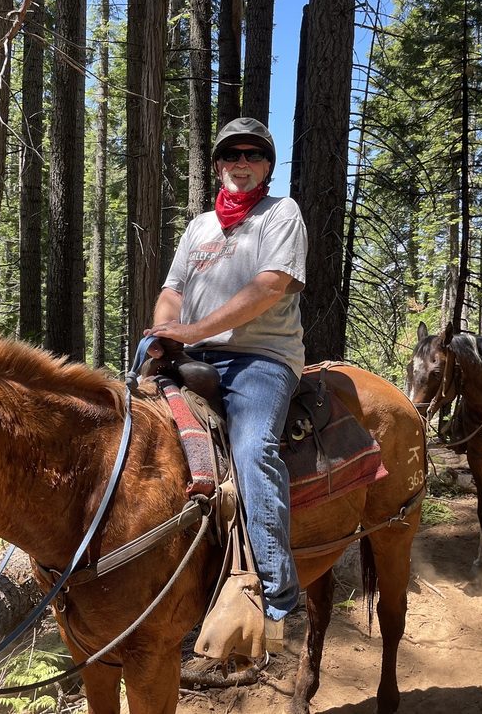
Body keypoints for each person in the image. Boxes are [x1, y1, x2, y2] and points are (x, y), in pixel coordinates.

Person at [145, 117, 308, 631]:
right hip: (194, 356)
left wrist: (190, 332)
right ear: (218, 165)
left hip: (261, 357)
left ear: (266, 166)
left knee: (254, 447)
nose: (241, 163)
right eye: (232, 155)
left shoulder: (281, 214)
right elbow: (173, 289)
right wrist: (164, 329)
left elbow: (269, 287)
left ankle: (279, 594)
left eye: (252, 155)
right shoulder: (199, 227)